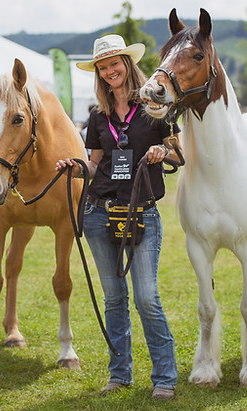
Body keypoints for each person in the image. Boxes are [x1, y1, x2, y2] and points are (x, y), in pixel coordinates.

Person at [55, 34, 180, 400]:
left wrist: (162, 151)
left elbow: (178, 155)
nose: (110, 70)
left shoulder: (154, 109)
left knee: (147, 298)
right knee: (113, 298)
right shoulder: (97, 117)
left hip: (143, 214)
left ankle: (165, 378)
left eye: (115, 63)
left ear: (127, 64)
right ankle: (119, 374)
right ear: (99, 73)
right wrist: (75, 168)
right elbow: (95, 164)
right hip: (99, 214)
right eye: (103, 66)